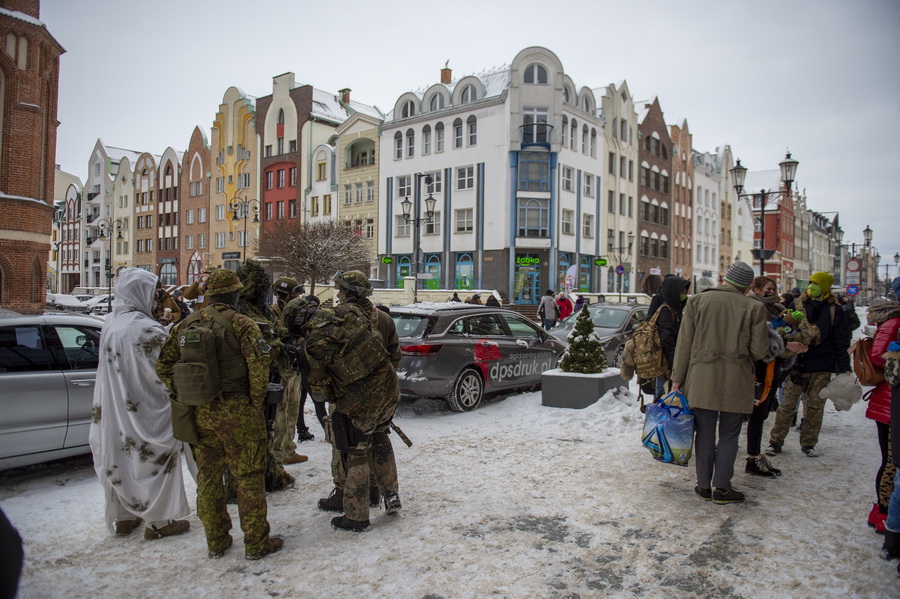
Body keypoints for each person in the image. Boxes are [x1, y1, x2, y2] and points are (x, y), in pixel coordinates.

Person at [156, 268, 283, 560]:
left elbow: (164, 366)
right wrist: (254, 403)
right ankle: (256, 543)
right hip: (238, 411)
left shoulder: (185, 324)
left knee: (208, 479)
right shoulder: (243, 324)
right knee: (249, 476)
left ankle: (216, 541)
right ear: (234, 294)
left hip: (201, 412)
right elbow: (259, 369)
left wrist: (186, 394)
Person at [89, 268, 190, 540]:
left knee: (121, 459)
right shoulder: (144, 328)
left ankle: (125, 517)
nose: (159, 298)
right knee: (154, 463)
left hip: (116, 409)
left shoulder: (112, 323)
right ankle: (160, 521)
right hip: (148, 410)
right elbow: (169, 367)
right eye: (155, 292)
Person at [310, 270, 402, 532]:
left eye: (340, 289)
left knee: (355, 452)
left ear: (350, 292)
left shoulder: (341, 319)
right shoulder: (383, 318)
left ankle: (356, 515)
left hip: (355, 398)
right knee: (381, 439)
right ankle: (390, 495)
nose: (337, 294)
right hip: (386, 395)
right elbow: (395, 356)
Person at [671, 261, 770, 504]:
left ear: (725, 278)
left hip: (701, 376)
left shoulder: (697, 301)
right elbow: (759, 351)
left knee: (704, 433)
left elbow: (684, 343)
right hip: (737, 379)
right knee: (729, 434)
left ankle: (703, 486)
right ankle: (723, 489)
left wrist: (677, 378)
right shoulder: (754, 307)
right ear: (747, 286)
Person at [767, 272, 852, 458]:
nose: (812, 286)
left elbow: (841, 341)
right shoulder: (797, 304)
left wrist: (844, 368)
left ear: (825, 287)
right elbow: (782, 328)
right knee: (787, 405)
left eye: (816, 284)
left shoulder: (834, 310)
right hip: (798, 363)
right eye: (811, 283)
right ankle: (775, 441)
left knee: (815, 406)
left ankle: (808, 443)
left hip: (822, 365)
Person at [236, 261, 300, 487]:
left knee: (269, 425)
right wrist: (282, 347)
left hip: (271, 377)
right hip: (251, 383)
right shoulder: (242, 312)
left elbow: (277, 330)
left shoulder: (261, 310)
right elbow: (261, 342)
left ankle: (272, 468)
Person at [745, 276, 810, 478]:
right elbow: (760, 340)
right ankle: (753, 457)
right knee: (756, 414)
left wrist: (793, 339)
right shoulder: (753, 306)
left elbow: (778, 331)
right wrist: (785, 344)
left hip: (774, 367)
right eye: (768, 288)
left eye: (774, 288)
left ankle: (755, 455)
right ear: (755, 289)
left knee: (762, 414)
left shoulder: (776, 308)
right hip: (758, 369)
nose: (772, 292)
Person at [865, 290, 900, 533]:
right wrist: (895, 358)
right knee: (891, 462)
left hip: (890, 399)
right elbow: (877, 355)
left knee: (892, 461)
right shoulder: (894, 322)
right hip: (889, 401)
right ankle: (884, 512)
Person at [270, 276, 308, 465]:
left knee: (293, 407)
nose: (298, 297)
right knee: (280, 412)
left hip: (294, 369)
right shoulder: (273, 314)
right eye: (294, 293)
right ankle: (278, 451)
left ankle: (289, 448)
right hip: (280, 370)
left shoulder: (296, 313)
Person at [655, 276, 690, 399]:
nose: (685, 295)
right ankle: (659, 417)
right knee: (663, 393)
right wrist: (674, 365)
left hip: (670, 358)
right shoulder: (667, 311)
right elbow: (667, 339)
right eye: (683, 292)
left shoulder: (676, 309)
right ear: (673, 291)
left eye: (686, 292)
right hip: (664, 361)